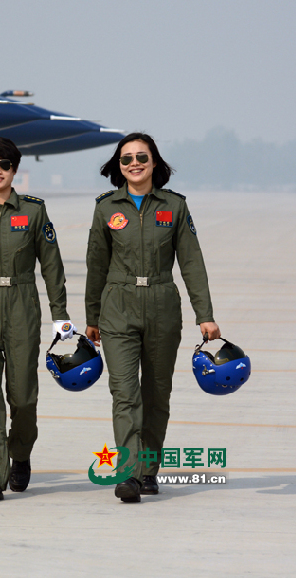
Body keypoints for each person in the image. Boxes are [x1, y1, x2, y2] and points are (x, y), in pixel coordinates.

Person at [85, 132, 221, 503]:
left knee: (157, 394)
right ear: (118, 165)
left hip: (162, 304)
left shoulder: (175, 207)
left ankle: (149, 469)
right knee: (124, 393)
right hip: (118, 305)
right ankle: (128, 473)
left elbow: (192, 262)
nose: (134, 164)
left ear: (155, 163)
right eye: (126, 158)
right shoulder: (105, 208)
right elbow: (95, 265)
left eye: (141, 157)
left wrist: (204, 315)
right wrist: (92, 316)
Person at [0, 137, 75, 502]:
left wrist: (60, 314)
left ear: (14, 169)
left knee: (22, 396)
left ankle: (19, 453)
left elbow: (51, 265)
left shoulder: (34, 212)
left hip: (22, 303)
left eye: (3, 165)